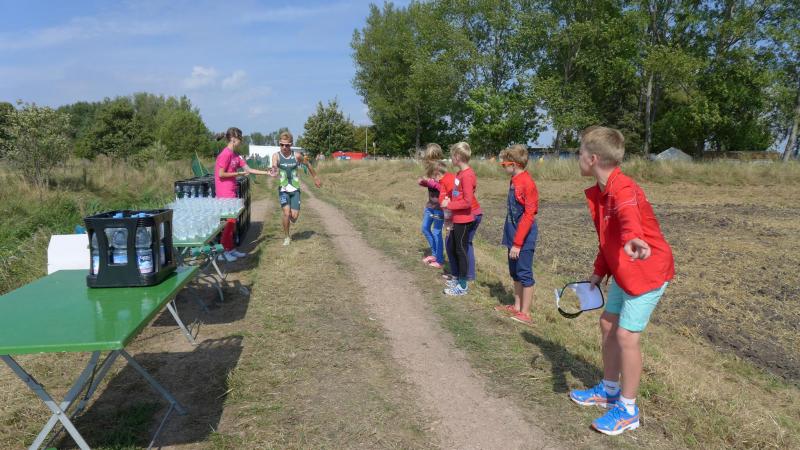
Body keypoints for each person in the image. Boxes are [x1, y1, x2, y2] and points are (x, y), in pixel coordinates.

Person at [568, 126, 674, 435]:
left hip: (647, 271)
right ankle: (609, 390)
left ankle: (628, 410)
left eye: (580, 152)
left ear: (593, 158)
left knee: (627, 336)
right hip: (624, 271)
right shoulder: (602, 191)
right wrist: (599, 270)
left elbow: (628, 216)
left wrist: (633, 238)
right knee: (607, 324)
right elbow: (608, 239)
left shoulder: (622, 188)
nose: (578, 157)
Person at [493, 144, 539, 326]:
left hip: (523, 239)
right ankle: (517, 306)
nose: (503, 167)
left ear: (514, 164)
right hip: (512, 236)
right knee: (515, 273)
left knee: (525, 273)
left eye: (504, 164)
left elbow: (529, 215)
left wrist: (518, 243)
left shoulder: (527, 183)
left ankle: (526, 313)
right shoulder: (514, 180)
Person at [215, 127, 270, 261]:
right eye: (240, 139)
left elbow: (248, 169)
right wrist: (238, 173)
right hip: (224, 193)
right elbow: (221, 174)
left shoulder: (235, 156)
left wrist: (267, 173)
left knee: (232, 222)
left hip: (232, 192)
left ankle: (230, 249)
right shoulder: (225, 154)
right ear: (234, 139)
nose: (241, 142)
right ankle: (222, 253)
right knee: (229, 222)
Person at [441, 142, 480, 296]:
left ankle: (462, 286)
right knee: (454, 248)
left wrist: (449, 205)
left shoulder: (468, 175)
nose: (451, 158)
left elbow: (467, 202)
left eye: (452, 155)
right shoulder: (460, 174)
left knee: (461, 251)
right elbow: (458, 196)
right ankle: (457, 279)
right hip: (457, 218)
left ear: (457, 156)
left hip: (464, 220)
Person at [270, 131, 321, 246]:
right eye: (282, 145)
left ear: (291, 144)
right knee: (286, 213)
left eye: (287, 145)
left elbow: (308, 164)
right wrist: (274, 169)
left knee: (294, 217)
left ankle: (290, 220)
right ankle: (287, 237)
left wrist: (315, 177)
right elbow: (274, 165)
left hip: (295, 189)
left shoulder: (297, 156)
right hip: (283, 189)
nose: (284, 147)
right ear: (279, 144)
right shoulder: (276, 156)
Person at [418, 143, 445, 268]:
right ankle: (434, 254)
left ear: (436, 156)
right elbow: (431, 184)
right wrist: (423, 182)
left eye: (429, 158)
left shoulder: (441, 169)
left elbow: (442, 187)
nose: (427, 161)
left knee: (436, 232)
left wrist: (430, 183)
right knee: (425, 228)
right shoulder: (430, 169)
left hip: (439, 207)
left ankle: (439, 259)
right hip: (430, 206)